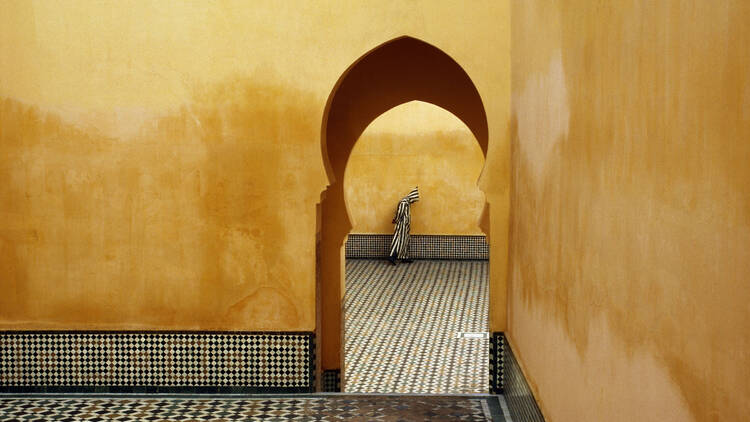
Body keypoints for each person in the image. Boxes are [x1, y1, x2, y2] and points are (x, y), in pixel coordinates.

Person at [388, 186, 419, 265]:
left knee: (404, 241)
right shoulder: (404, 202)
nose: (413, 202)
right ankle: (392, 257)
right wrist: (396, 220)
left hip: (405, 226)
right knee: (398, 240)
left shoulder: (407, 203)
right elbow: (400, 213)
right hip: (401, 225)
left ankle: (404, 257)